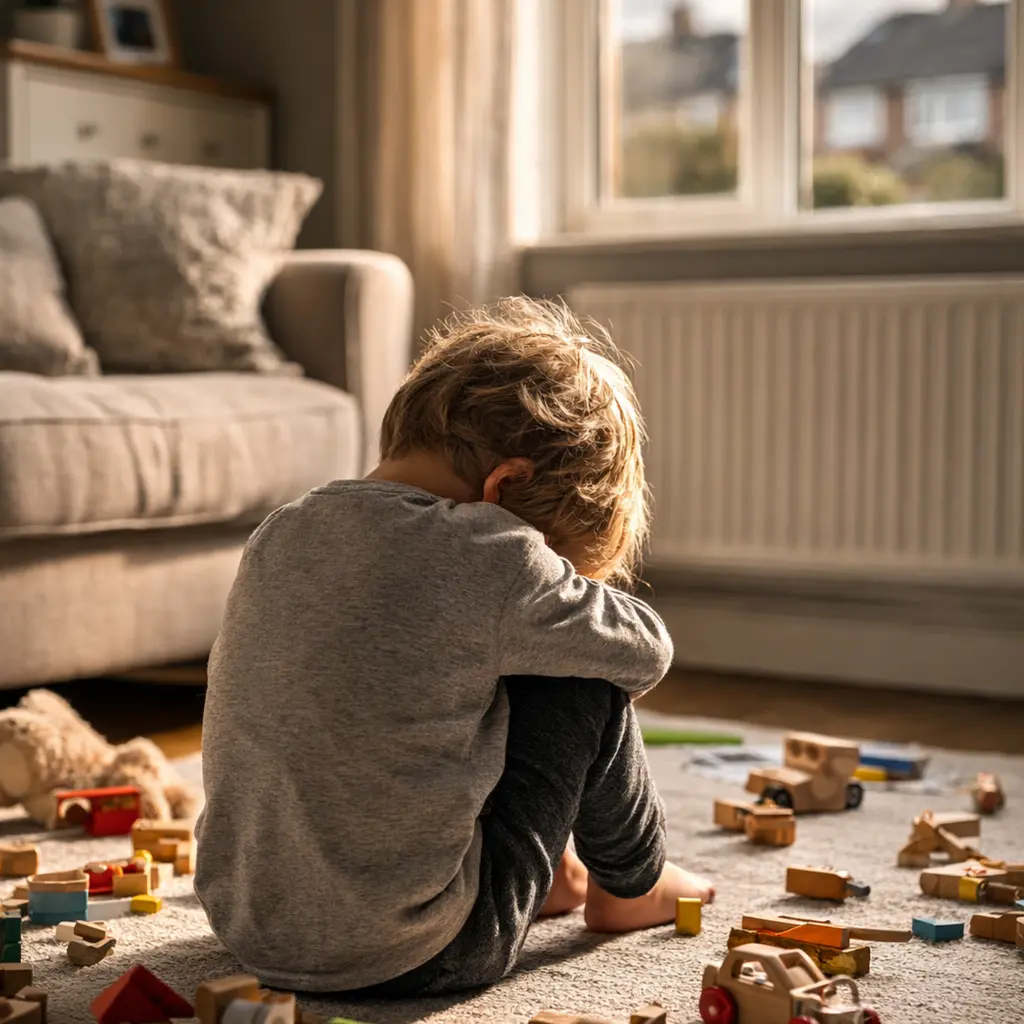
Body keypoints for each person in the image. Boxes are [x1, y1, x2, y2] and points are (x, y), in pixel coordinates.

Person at [194, 297, 715, 997]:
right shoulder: (486, 549)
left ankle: (547, 872)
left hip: (250, 931)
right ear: (506, 486)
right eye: (553, 554)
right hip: (423, 953)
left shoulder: (283, 529)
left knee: (460, 661)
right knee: (582, 671)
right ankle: (632, 887)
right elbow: (645, 650)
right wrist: (556, 588)